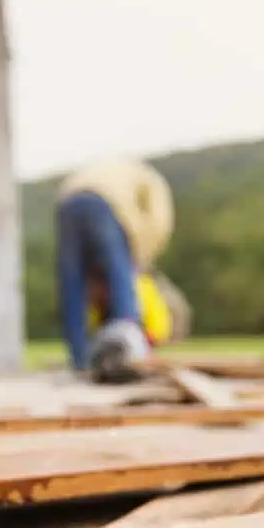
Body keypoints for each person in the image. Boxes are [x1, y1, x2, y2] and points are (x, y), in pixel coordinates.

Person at [54, 159, 184, 374]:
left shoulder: (104, 171)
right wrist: (140, 255)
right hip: (104, 203)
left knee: (73, 285)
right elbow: (158, 220)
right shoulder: (150, 179)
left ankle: (80, 361)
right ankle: (130, 353)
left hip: (67, 203)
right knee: (121, 278)